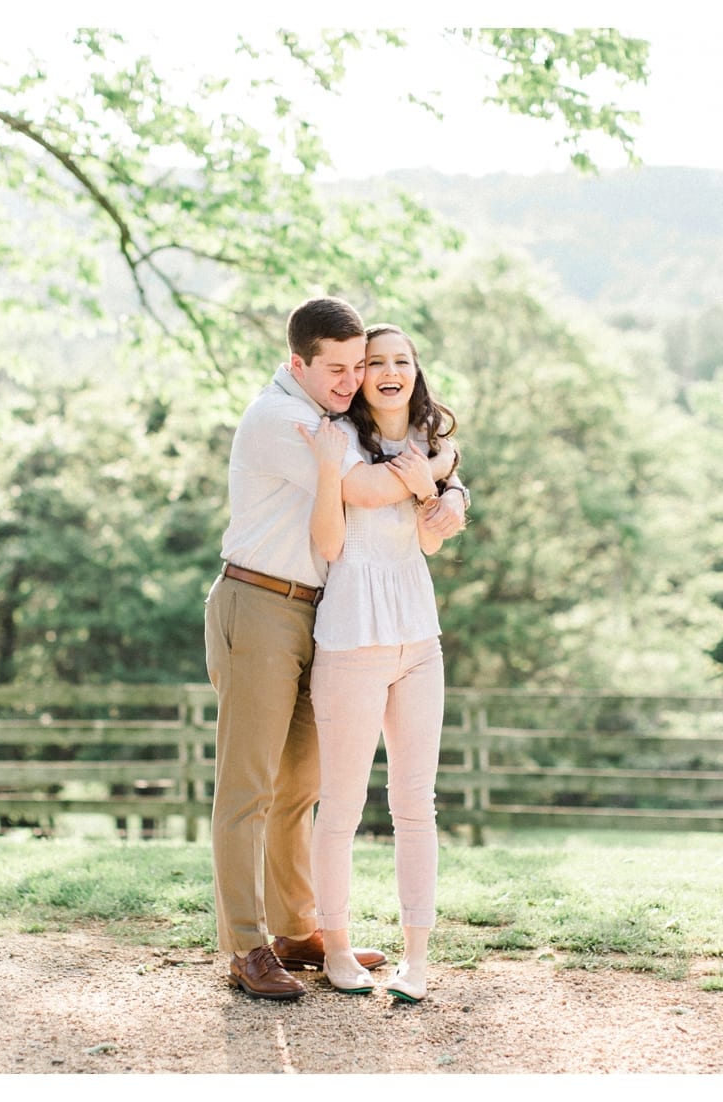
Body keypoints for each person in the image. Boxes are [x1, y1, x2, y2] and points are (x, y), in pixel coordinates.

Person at [205, 298, 466, 1000]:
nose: (352, 380)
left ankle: (296, 928)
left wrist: (449, 472)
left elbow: (398, 450)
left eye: (360, 365)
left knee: (299, 786)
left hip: (318, 610)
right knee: (249, 786)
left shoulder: (332, 415)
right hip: (260, 602)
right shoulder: (281, 418)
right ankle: (245, 945)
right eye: (338, 368)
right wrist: (438, 464)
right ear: (299, 364)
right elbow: (366, 488)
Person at [300, 322, 467, 1003]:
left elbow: (432, 537)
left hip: (417, 640)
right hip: (350, 637)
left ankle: (417, 962)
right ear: (360, 374)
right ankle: (336, 948)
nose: (390, 370)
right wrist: (432, 480)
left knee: (414, 805)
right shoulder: (339, 440)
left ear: (417, 370)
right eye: (376, 361)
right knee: (340, 805)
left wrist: (446, 491)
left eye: (403, 359)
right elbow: (348, 520)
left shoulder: (435, 444)